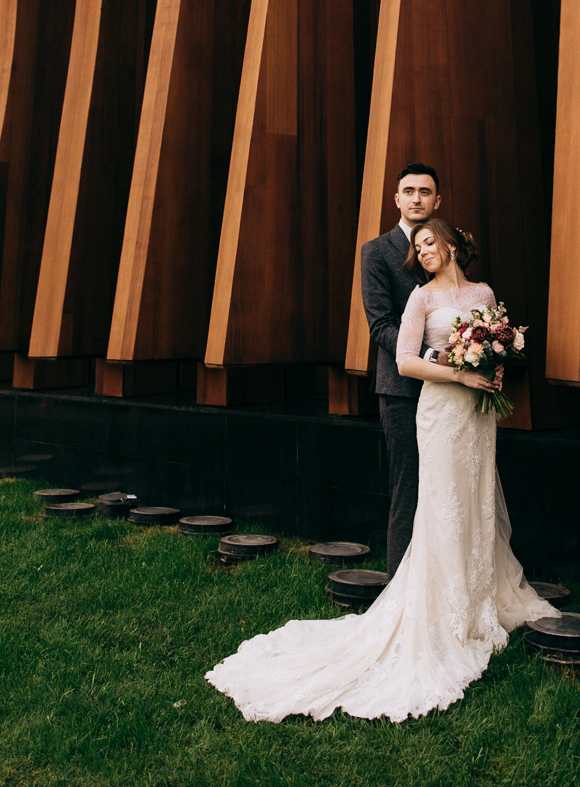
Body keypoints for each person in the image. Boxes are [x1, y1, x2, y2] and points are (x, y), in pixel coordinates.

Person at [205, 219, 557, 722]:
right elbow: (407, 361)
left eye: (430, 242)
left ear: (453, 244)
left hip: (478, 419)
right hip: (440, 412)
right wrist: (461, 372)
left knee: (477, 497)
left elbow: (496, 344)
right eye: (418, 247)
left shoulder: (484, 291)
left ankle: (480, 597)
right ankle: (445, 612)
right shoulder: (420, 298)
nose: (423, 252)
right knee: (443, 507)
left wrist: (492, 367)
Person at [359, 163, 442, 577]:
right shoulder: (376, 251)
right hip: (401, 389)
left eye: (424, 192)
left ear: (436, 201)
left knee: (446, 488)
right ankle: (400, 590)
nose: (416, 198)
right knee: (407, 489)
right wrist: (430, 357)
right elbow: (380, 325)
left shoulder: (449, 247)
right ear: (396, 199)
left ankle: (442, 584)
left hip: (452, 391)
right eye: (408, 191)